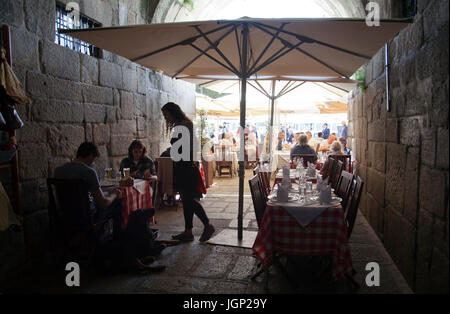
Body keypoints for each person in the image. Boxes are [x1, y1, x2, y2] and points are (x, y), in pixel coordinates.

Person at [161, 102, 215, 243]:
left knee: (189, 199)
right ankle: (188, 231)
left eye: (166, 114)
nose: (165, 117)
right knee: (186, 200)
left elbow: (183, 148)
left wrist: (171, 151)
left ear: (173, 112)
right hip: (183, 166)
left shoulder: (183, 125)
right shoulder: (183, 124)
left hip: (185, 167)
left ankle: (208, 226)